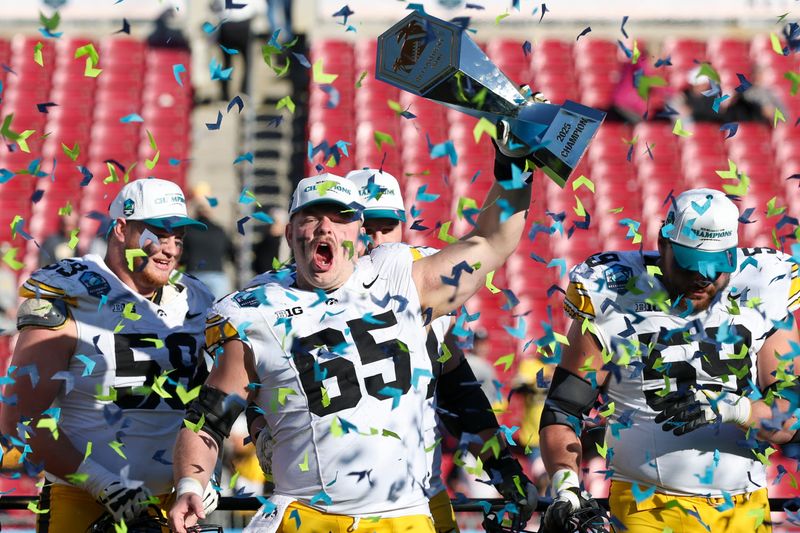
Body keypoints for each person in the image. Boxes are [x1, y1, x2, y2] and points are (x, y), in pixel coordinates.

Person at [168, 131, 539, 533]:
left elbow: (491, 241)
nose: (326, 228)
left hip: (406, 512)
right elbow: (208, 419)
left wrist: (513, 165)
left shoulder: (403, 277)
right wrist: (191, 481)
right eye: (312, 217)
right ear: (291, 232)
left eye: (342, 217)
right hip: (305, 513)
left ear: (358, 233)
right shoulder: (257, 309)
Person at [538, 188, 800, 533]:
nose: (702, 278)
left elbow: (790, 418)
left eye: (715, 268)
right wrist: (566, 484)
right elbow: (563, 408)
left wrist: (736, 410)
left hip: (744, 509)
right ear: (663, 245)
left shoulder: (764, 285)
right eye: (691, 266)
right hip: (647, 507)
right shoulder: (613, 290)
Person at [0, 178, 219, 531]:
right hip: (83, 501)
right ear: (121, 228)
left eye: (178, 237)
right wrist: (102, 484)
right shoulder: (72, 294)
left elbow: (210, 404)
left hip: (175, 505)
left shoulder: (195, 298)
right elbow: (21, 419)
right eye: (159, 234)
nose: (170, 249)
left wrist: (203, 475)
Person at [180, 184, 236, 300]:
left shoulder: (188, 230)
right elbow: (231, 254)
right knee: (218, 314)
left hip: (194, 275)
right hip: (217, 276)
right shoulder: (220, 230)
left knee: (193, 313)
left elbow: (181, 256)